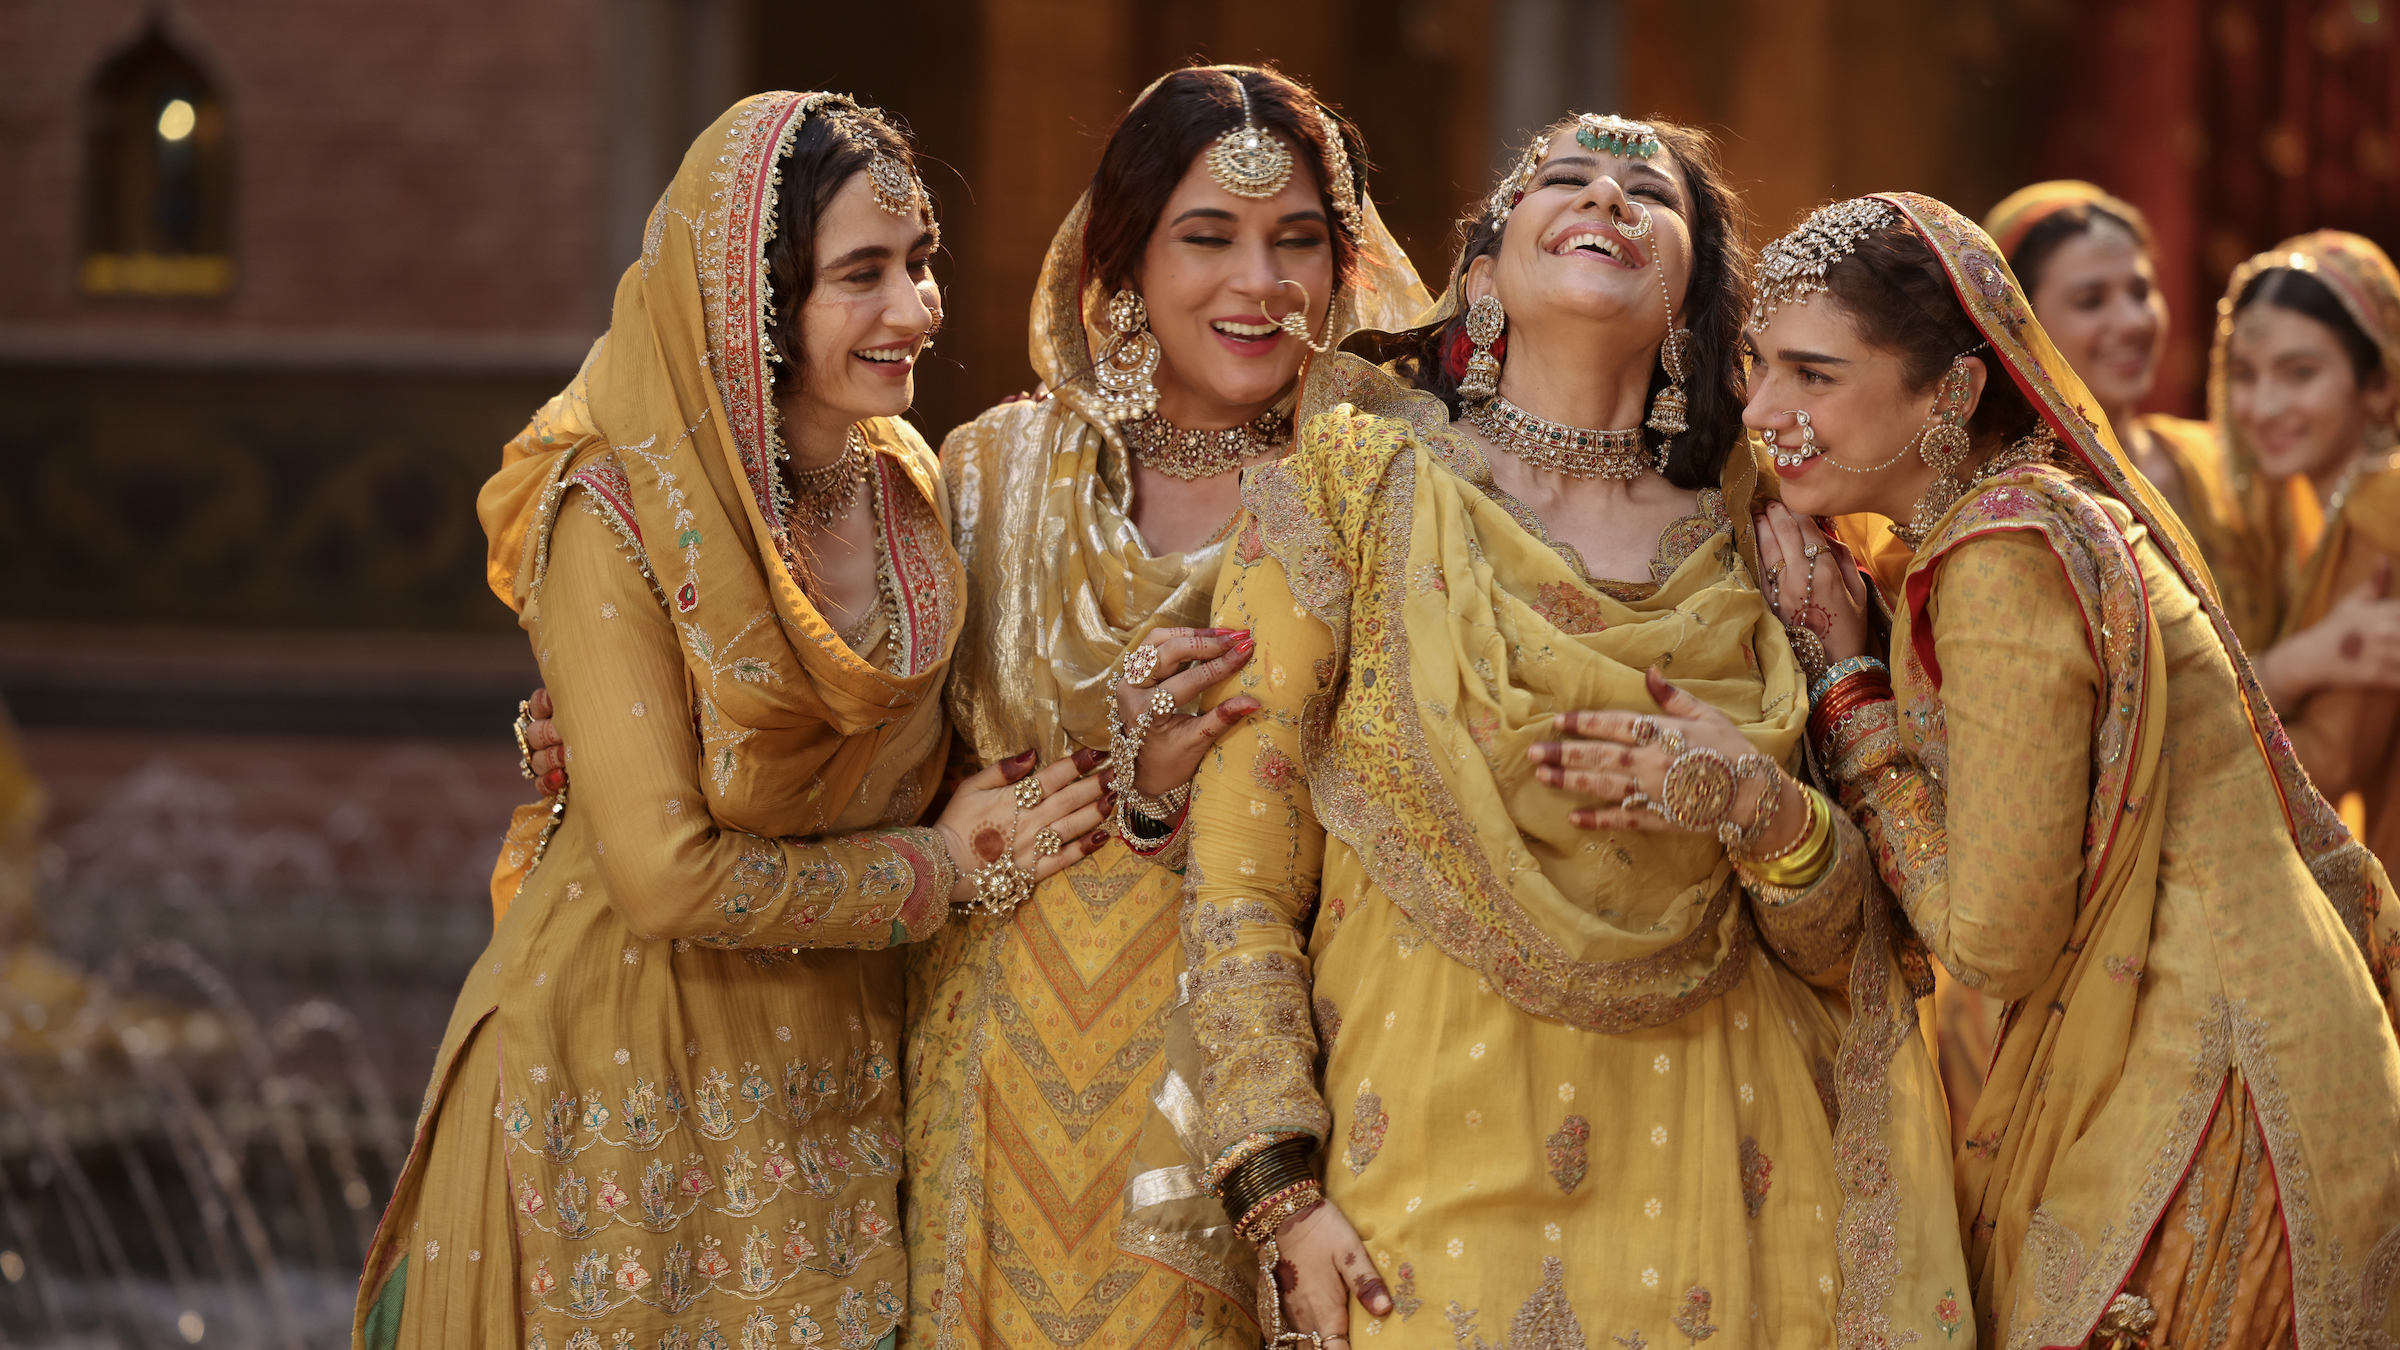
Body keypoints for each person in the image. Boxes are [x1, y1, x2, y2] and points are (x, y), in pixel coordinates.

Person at [1184, 116, 1968, 1350]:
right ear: (1483, 277)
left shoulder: (1777, 541)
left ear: (1697, 299)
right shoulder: (1350, 480)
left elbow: (1856, 952)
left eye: (1648, 193)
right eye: (1564, 179)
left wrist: (1758, 811)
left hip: (1732, 1187)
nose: (1606, 195)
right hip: (1423, 1181)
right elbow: (1239, 870)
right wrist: (1278, 1189)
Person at [353, 93, 1112, 1350]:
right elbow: (662, 874)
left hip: (827, 1100)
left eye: (920, 264)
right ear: (753, 304)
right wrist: (944, 868)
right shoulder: (617, 514)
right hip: (610, 1084)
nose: (916, 308)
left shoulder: (905, 484)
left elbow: (926, 756)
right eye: (861, 275)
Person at [1730, 192, 2400, 1349]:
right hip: (2236, 1043)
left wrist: (1850, 698)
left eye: (1813, 374)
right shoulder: (2004, 528)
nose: (1763, 412)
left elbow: (1993, 940)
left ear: (1953, 393)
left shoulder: (2001, 561)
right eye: (1756, 366)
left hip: (2218, 1088)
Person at [903, 66, 1428, 1350]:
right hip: (995, 1050)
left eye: (1297, 241)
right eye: (1210, 239)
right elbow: (866, 733)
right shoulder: (993, 473)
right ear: (1124, 262)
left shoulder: (1387, 491)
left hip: (1259, 1068)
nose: (1260, 284)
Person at [1984, 181, 2277, 648]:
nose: (2132, 321)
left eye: (2141, 291)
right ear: (2019, 326)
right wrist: (2292, 668)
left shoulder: (2218, 457)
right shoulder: (2015, 507)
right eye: (2091, 301)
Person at [2220, 231, 2400, 863]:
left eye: (2300, 373)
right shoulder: (2307, 517)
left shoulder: (2383, 510)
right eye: (2244, 374)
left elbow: (2333, 758)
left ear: (2377, 383)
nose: (2264, 406)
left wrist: (2190, 750)